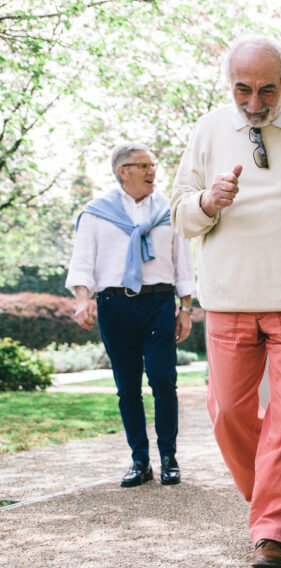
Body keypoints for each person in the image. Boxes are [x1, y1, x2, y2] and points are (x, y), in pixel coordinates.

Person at [170, 35, 281, 568]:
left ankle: (274, 530)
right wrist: (206, 202)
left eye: (268, 89)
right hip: (228, 297)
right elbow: (179, 213)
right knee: (226, 413)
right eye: (243, 89)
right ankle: (270, 497)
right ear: (230, 85)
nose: (255, 102)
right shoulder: (209, 129)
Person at [66, 142, 195, 488]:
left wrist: (186, 309)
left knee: (163, 380)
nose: (153, 170)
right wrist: (82, 299)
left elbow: (183, 263)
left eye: (153, 164)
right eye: (144, 165)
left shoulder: (170, 210)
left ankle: (169, 458)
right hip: (115, 305)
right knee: (127, 388)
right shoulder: (96, 213)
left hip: (158, 304)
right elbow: (83, 263)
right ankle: (140, 461)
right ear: (124, 171)